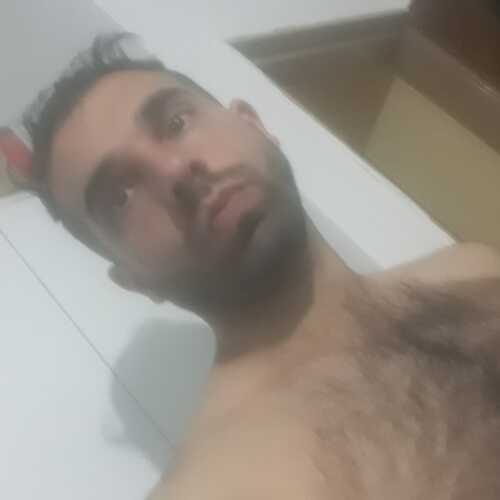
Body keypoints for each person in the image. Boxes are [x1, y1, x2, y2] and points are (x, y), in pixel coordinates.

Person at [25, 33, 500, 499]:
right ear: (134, 280)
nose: (174, 171)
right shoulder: (214, 487)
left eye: (175, 122)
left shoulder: (474, 268)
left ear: (253, 124)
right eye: (121, 196)